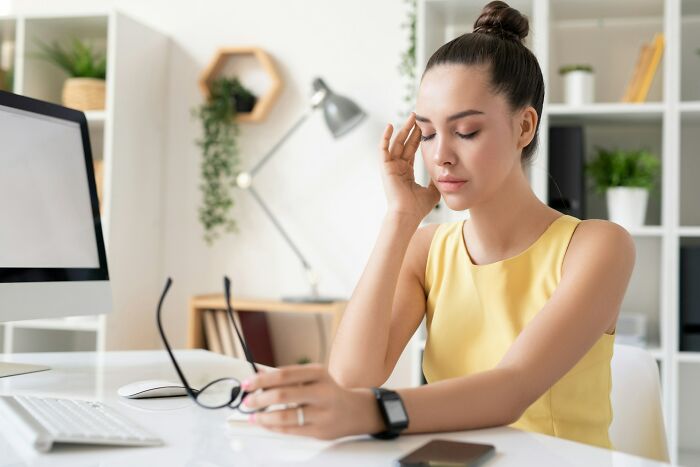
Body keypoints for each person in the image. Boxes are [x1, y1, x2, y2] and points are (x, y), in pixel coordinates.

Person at [240, 0, 634, 449]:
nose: (440, 155)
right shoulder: (427, 249)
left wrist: (370, 410)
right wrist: (401, 218)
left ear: (524, 127)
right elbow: (351, 378)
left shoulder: (597, 246)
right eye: (427, 133)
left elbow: (513, 387)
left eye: (465, 131)